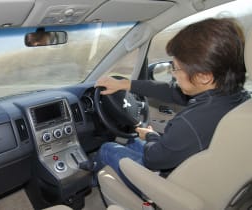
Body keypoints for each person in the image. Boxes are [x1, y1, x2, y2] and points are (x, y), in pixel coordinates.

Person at [93, 18, 250, 197]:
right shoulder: (236, 97)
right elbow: (172, 92)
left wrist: (151, 135)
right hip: (202, 175)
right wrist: (126, 85)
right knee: (132, 141)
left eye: (175, 68)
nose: (173, 75)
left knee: (108, 148)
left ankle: (91, 179)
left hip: (169, 184)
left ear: (203, 76)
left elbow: (153, 159)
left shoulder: (191, 122)